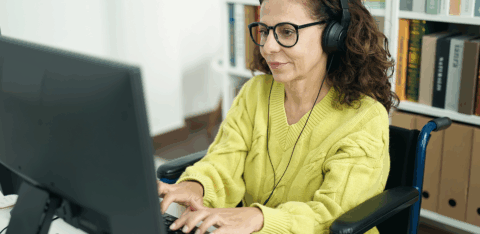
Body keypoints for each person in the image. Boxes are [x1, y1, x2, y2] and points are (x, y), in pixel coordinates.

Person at [158, 0, 399, 233]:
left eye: (286, 31)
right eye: (264, 31)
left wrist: (259, 218)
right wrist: (196, 186)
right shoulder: (255, 92)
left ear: (334, 35)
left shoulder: (364, 117)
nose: (268, 47)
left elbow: (332, 215)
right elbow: (224, 161)